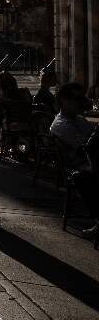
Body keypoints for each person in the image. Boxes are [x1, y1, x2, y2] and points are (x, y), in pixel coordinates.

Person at [50, 83, 98, 236]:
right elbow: (86, 148)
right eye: (76, 98)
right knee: (83, 178)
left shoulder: (79, 120)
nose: (81, 101)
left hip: (91, 162)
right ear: (64, 100)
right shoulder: (61, 124)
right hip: (85, 166)